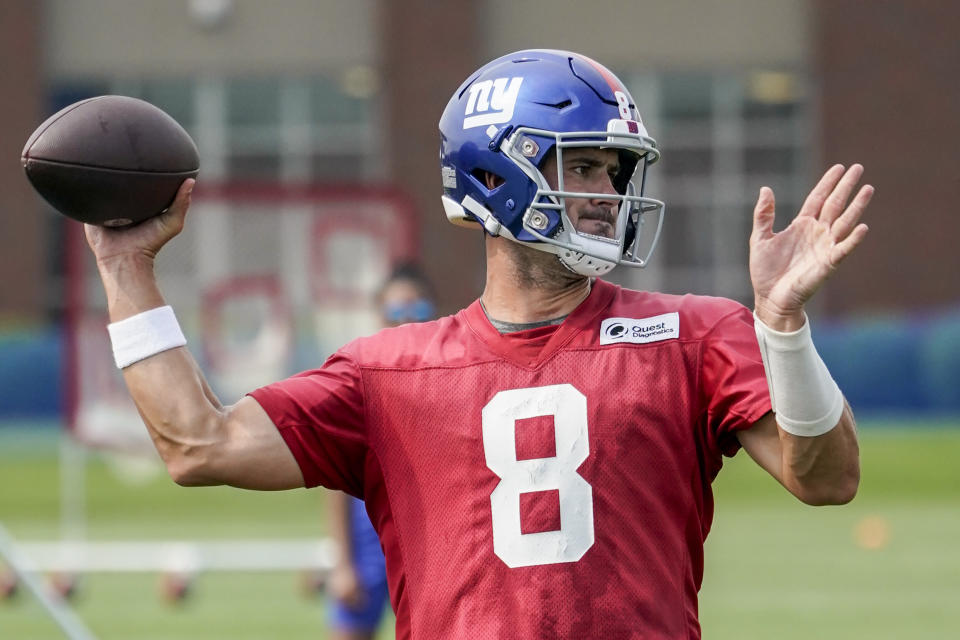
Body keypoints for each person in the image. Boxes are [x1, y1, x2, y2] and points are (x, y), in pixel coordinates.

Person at [84, 49, 872, 639]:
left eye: (615, 173)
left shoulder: (696, 332)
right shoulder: (384, 373)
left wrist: (783, 327)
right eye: (584, 167)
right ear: (498, 176)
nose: (606, 197)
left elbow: (827, 478)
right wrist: (126, 270)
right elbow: (196, 443)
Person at [325, 264, 436, 640]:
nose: (406, 320)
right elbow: (336, 484)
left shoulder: (446, 380)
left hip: (430, 557)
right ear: (379, 313)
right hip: (368, 552)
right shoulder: (358, 382)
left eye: (417, 310)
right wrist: (341, 563)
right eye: (396, 310)